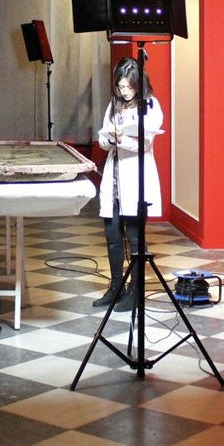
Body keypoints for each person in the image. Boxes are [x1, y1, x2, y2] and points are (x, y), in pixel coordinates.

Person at [93, 57, 162, 312]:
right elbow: (103, 139)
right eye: (120, 86)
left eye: (129, 87)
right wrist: (110, 138)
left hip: (135, 177)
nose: (124, 91)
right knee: (113, 235)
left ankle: (136, 290)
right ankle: (116, 286)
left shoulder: (150, 105)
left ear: (138, 84)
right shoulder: (114, 105)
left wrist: (121, 138)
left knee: (135, 237)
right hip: (113, 178)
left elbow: (144, 143)